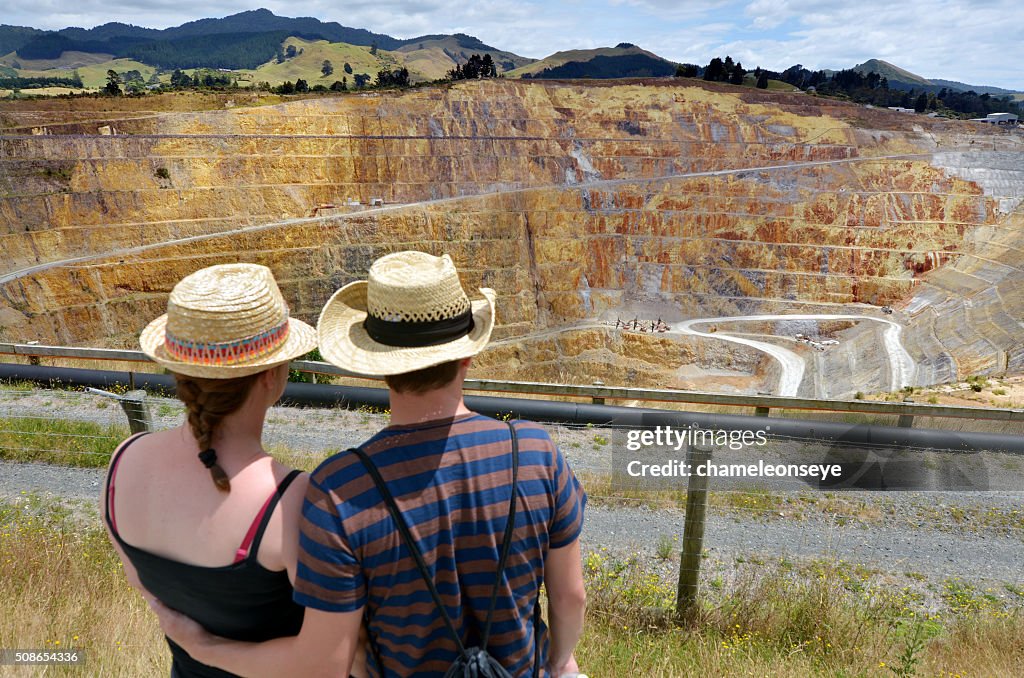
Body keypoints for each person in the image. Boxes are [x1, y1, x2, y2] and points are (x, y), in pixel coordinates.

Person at [154, 251, 587, 677]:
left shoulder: (341, 488)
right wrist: (558, 662)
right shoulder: (535, 454)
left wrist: (204, 647)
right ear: (467, 354)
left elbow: (345, 654)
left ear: (380, 363)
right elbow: (570, 597)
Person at [100, 263, 362, 677]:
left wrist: (195, 646)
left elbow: (155, 595)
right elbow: (325, 666)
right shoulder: (290, 500)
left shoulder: (123, 463)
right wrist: (209, 649)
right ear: (271, 376)